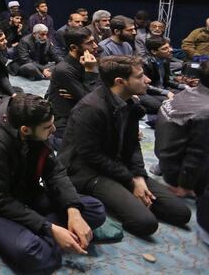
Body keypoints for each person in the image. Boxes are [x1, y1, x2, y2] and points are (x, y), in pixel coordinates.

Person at [0, 95, 105, 273]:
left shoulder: (36, 126)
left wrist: (73, 211)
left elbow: (55, 172)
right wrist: (49, 228)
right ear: (25, 130)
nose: (53, 129)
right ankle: (41, 229)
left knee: (95, 209)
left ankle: (35, 228)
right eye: (48, 127)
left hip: (24, 193)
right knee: (34, 253)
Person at [59, 56, 191, 236]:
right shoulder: (90, 108)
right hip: (87, 172)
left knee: (181, 213)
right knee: (145, 224)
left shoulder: (131, 102)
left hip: (117, 164)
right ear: (120, 82)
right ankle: (99, 201)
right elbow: (90, 155)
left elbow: (133, 144)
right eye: (140, 76)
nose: (148, 80)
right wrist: (129, 179)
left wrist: (138, 176)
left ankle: (123, 196)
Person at [155, 60, 209, 201]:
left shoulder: (185, 93)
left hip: (165, 160)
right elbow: (197, 153)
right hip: (179, 174)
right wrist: (185, 185)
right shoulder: (207, 112)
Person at [46, 27, 100, 147]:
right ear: (74, 48)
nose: (95, 46)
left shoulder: (89, 60)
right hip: (66, 118)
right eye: (90, 43)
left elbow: (99, 93)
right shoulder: (64, 69)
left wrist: (80, 93)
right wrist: (90, 72)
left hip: (83, 113)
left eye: (94, 41)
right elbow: (91, 101)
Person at [141, 35, 183, 119]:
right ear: (154, 51)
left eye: (169, 47)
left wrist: (184, 86)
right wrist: (166, 92)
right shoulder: (145, 63)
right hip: (146, 92)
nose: (170, 50)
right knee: (163, 107)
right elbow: (144, 86)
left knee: (184, 97)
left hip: (161, 90)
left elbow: (166, 80)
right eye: (165, 48)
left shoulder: (165, 60)